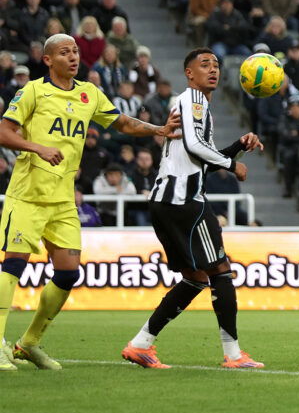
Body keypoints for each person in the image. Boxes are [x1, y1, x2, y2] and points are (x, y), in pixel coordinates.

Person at [0, 33, 181, 371]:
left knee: (68, 273)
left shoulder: (89, 94)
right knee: (14, 265)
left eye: (76, 52)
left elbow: (123, 122)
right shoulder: (33, 92)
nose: (73, 57)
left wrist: (158, 129)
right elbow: (4, 131)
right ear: (48, 59)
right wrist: (38, 147)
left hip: (63, 199)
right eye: (64, 52)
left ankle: (28, 343)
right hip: (27, 194)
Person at [121, 48, 265, 370]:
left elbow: (199, 161)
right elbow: (195, 147)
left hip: (165, 202)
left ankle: (140, 345)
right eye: (204, 65)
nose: (212, 70)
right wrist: (232, 164)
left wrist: (238, 148)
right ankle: (233, 355)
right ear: (189, 73)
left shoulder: (192, 108)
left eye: (216, 65)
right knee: (221, 270)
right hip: (185, 201)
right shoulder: (194, 100)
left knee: (196, 277)